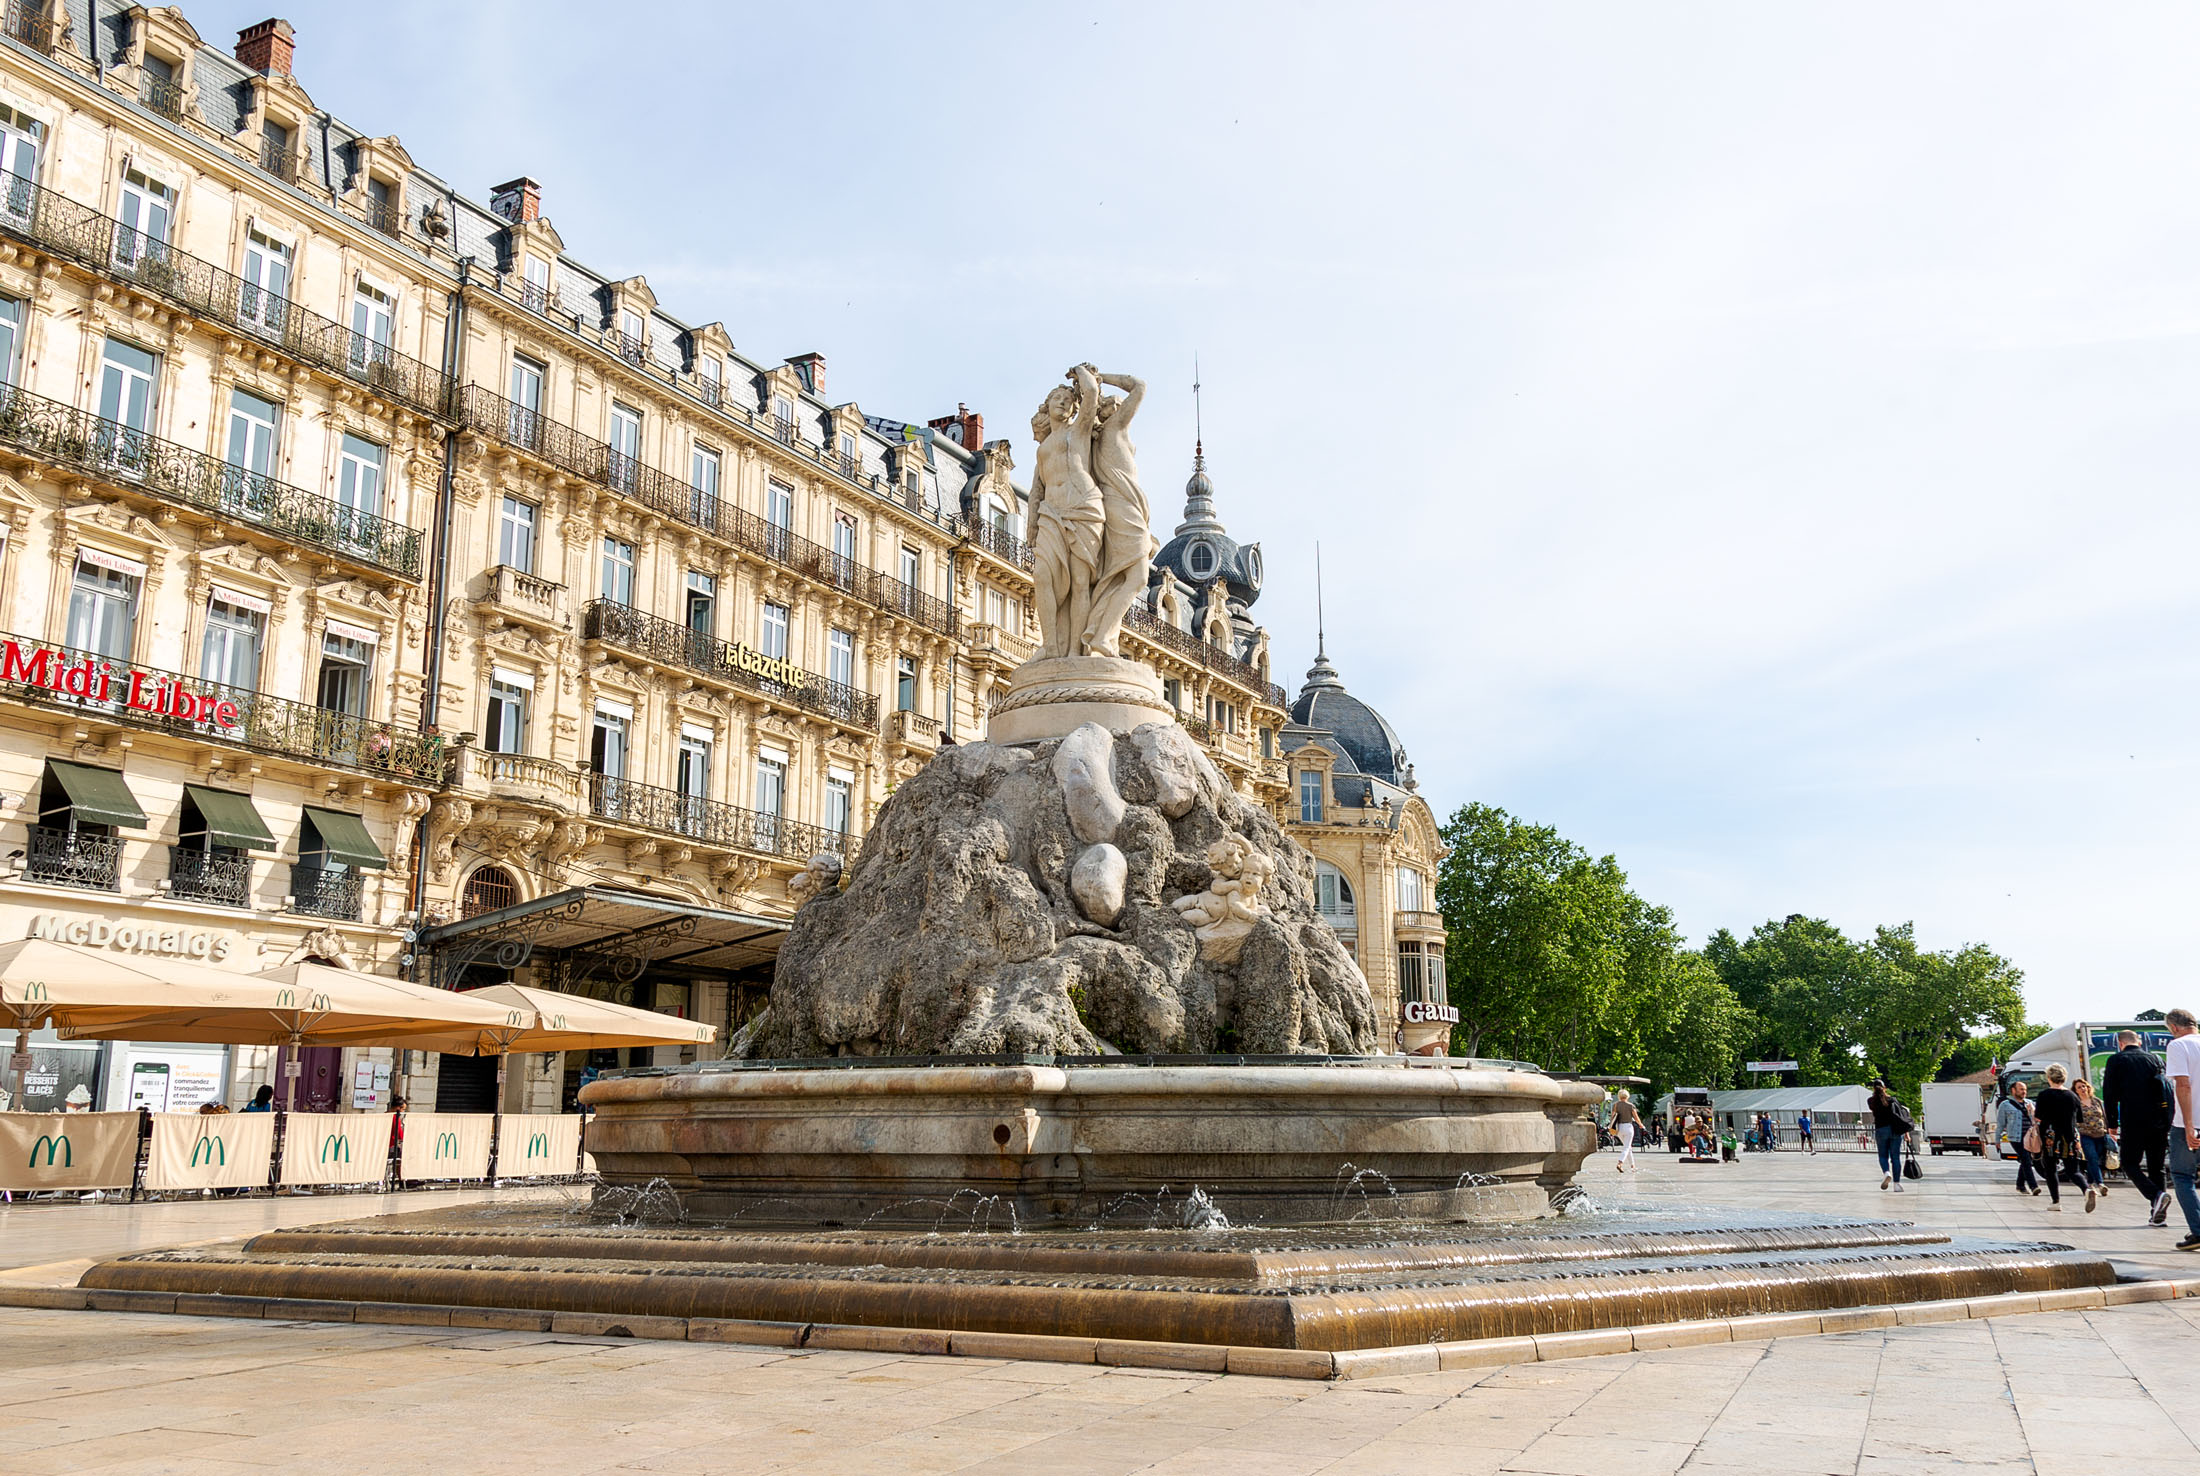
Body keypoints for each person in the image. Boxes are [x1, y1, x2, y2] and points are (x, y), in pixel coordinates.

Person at [2104, 1027, 2172, 1226]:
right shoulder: (2156, 1059)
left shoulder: (2116, 1060)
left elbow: (2110, 1094)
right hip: (2159, 1121)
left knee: (2129, 1163)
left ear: (2120, 1043)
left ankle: (2155, 1196)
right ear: (2139, 1041)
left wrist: (2112, 1123)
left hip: (2132, 1119)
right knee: (2156, 1167)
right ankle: (2158, 1215)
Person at [2032, 1064, 2092, 1212]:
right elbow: (2079, 1118)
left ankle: (2055, 1202)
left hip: (2051, 1136)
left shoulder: (2044, 1095)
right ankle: (2086, 1189)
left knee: (2051, 1169)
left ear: (2049, 1078)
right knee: (2073, 1170)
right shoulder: (2073, 1096)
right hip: (2071, 1135)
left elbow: (2038, 1116)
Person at [2165, 1006, 2200, 1252]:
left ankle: (2198, 1231)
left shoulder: (2178, 1046)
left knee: (2182, 1176)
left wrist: (2188, 1125)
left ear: (2174, 1027)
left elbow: (2184, 1085)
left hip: (2188, 1123)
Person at [1998, 1082, 2040, 1196]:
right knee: (2026, 1159)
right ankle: (2033, 1186)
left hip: (2030, 1137)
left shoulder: (2030, 1103)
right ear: (2013, 1090)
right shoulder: (2006, 1105)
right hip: (2015, 1137)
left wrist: (2032, 1111)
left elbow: (2036, 1119)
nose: (2024, 1092)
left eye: (2025, 1089)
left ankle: (2020, 1184)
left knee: (2026, 1160)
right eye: (2021, 1089)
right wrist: (1997, 1140)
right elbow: (2001, 1124)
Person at [2074, 1078, 2111, 1198]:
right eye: (2079, 1087)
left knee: (2094, 1159)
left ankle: (2089, 1183)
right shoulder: (2076, 1103)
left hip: (2100, 1133)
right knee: (2092, 1157)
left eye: (2084, 1086)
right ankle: (2100, 1184)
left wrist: (2109, 1131)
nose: (2082, 1089)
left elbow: (2104, 1117)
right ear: (2076, 1091)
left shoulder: (2097, 1101)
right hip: (2085, 1134)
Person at [1868, 1080, 1908, 1192]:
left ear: (1873, 1088)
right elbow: (1901, 1116)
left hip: (1881, 1130)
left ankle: (1886, 1172)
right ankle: (1897, 1184)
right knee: (1895, 1157)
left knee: (1883, 1156)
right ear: (1884, 1087)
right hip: (1895, 1130)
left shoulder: (1871, 1101)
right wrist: (1906, 1133)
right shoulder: (1892, 1100)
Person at [1611, 1090, 1639, 1173]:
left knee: (1628, 1147)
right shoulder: (1631, 1106)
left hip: (1619, 1128)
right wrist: (1641, 1125)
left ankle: (1633, 1166)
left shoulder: (1615, 1105)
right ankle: (1620, 1163)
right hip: (1628, 1127)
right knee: (1626, 1147)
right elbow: (1636, 1118)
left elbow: (1612, 1117)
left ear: (1619, 1096)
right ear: (1627, 1096)